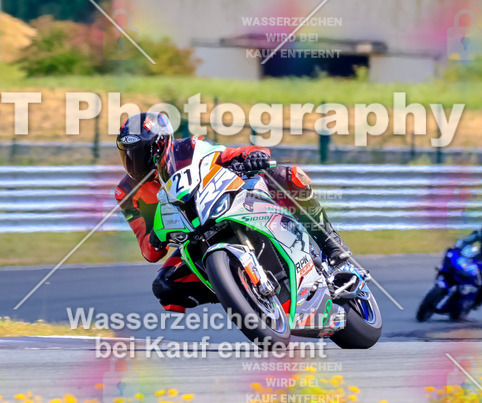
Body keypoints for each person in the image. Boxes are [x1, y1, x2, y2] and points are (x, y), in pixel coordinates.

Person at [113, 111, 351, 312]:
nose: (133, 162)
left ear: (160, 145)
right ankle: (237, 290)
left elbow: (232, 154)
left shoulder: (190, 147)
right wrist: (155, 237)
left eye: (140, 153)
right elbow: (147, 249)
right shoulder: (126, 192)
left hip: (224, 204)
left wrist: (253, 156)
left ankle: (330, 242)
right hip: (192, 239)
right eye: (127, 154)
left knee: (288, 177)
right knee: (165, 285)